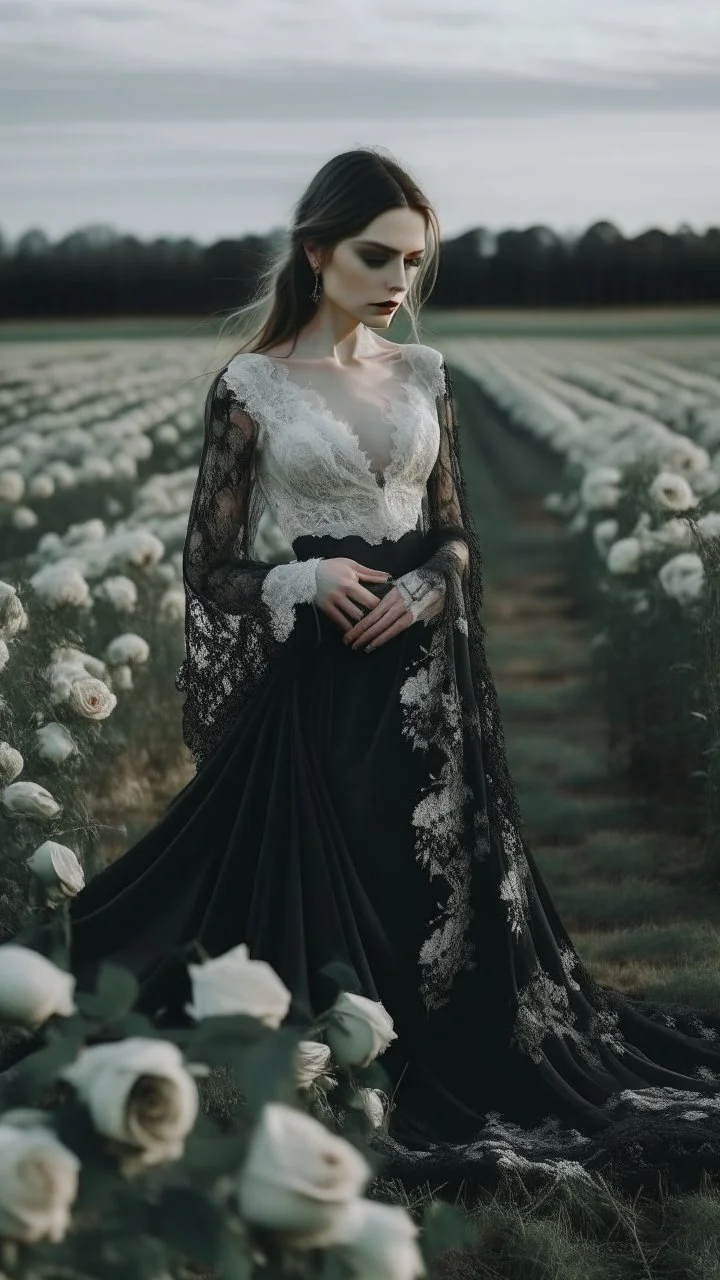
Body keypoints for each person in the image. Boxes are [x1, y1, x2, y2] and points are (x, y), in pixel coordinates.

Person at [13, 148, 720, 1196]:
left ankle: (449, 1035)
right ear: (316, 251)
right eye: (375, 255)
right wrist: (304, 574)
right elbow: (210, 566)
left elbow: (457, 535)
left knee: (436, 877)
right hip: (322, 681)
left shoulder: (423, 374)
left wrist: (435, 585)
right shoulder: (252, 386)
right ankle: (348, 1044)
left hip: (430, 676)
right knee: (327, 877)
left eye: (413, 260)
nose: (398, 279)